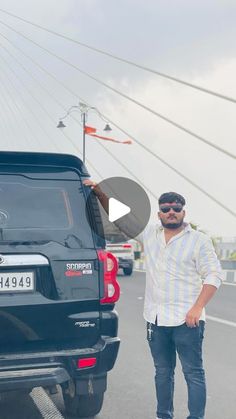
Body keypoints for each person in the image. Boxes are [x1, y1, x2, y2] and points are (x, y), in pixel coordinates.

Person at [83, 180, 223, 419]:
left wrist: (197, 308)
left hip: (187, 320)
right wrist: (98, 191)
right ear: (159, 213)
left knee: (193, 373)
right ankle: (164, 415)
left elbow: (213, 275)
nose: (171, 212)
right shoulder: (150, 234)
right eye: (166, 208)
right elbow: (121, 217)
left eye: (176, 208)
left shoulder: (198, 240)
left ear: (183, 212)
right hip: (156, 320)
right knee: (162, 372)